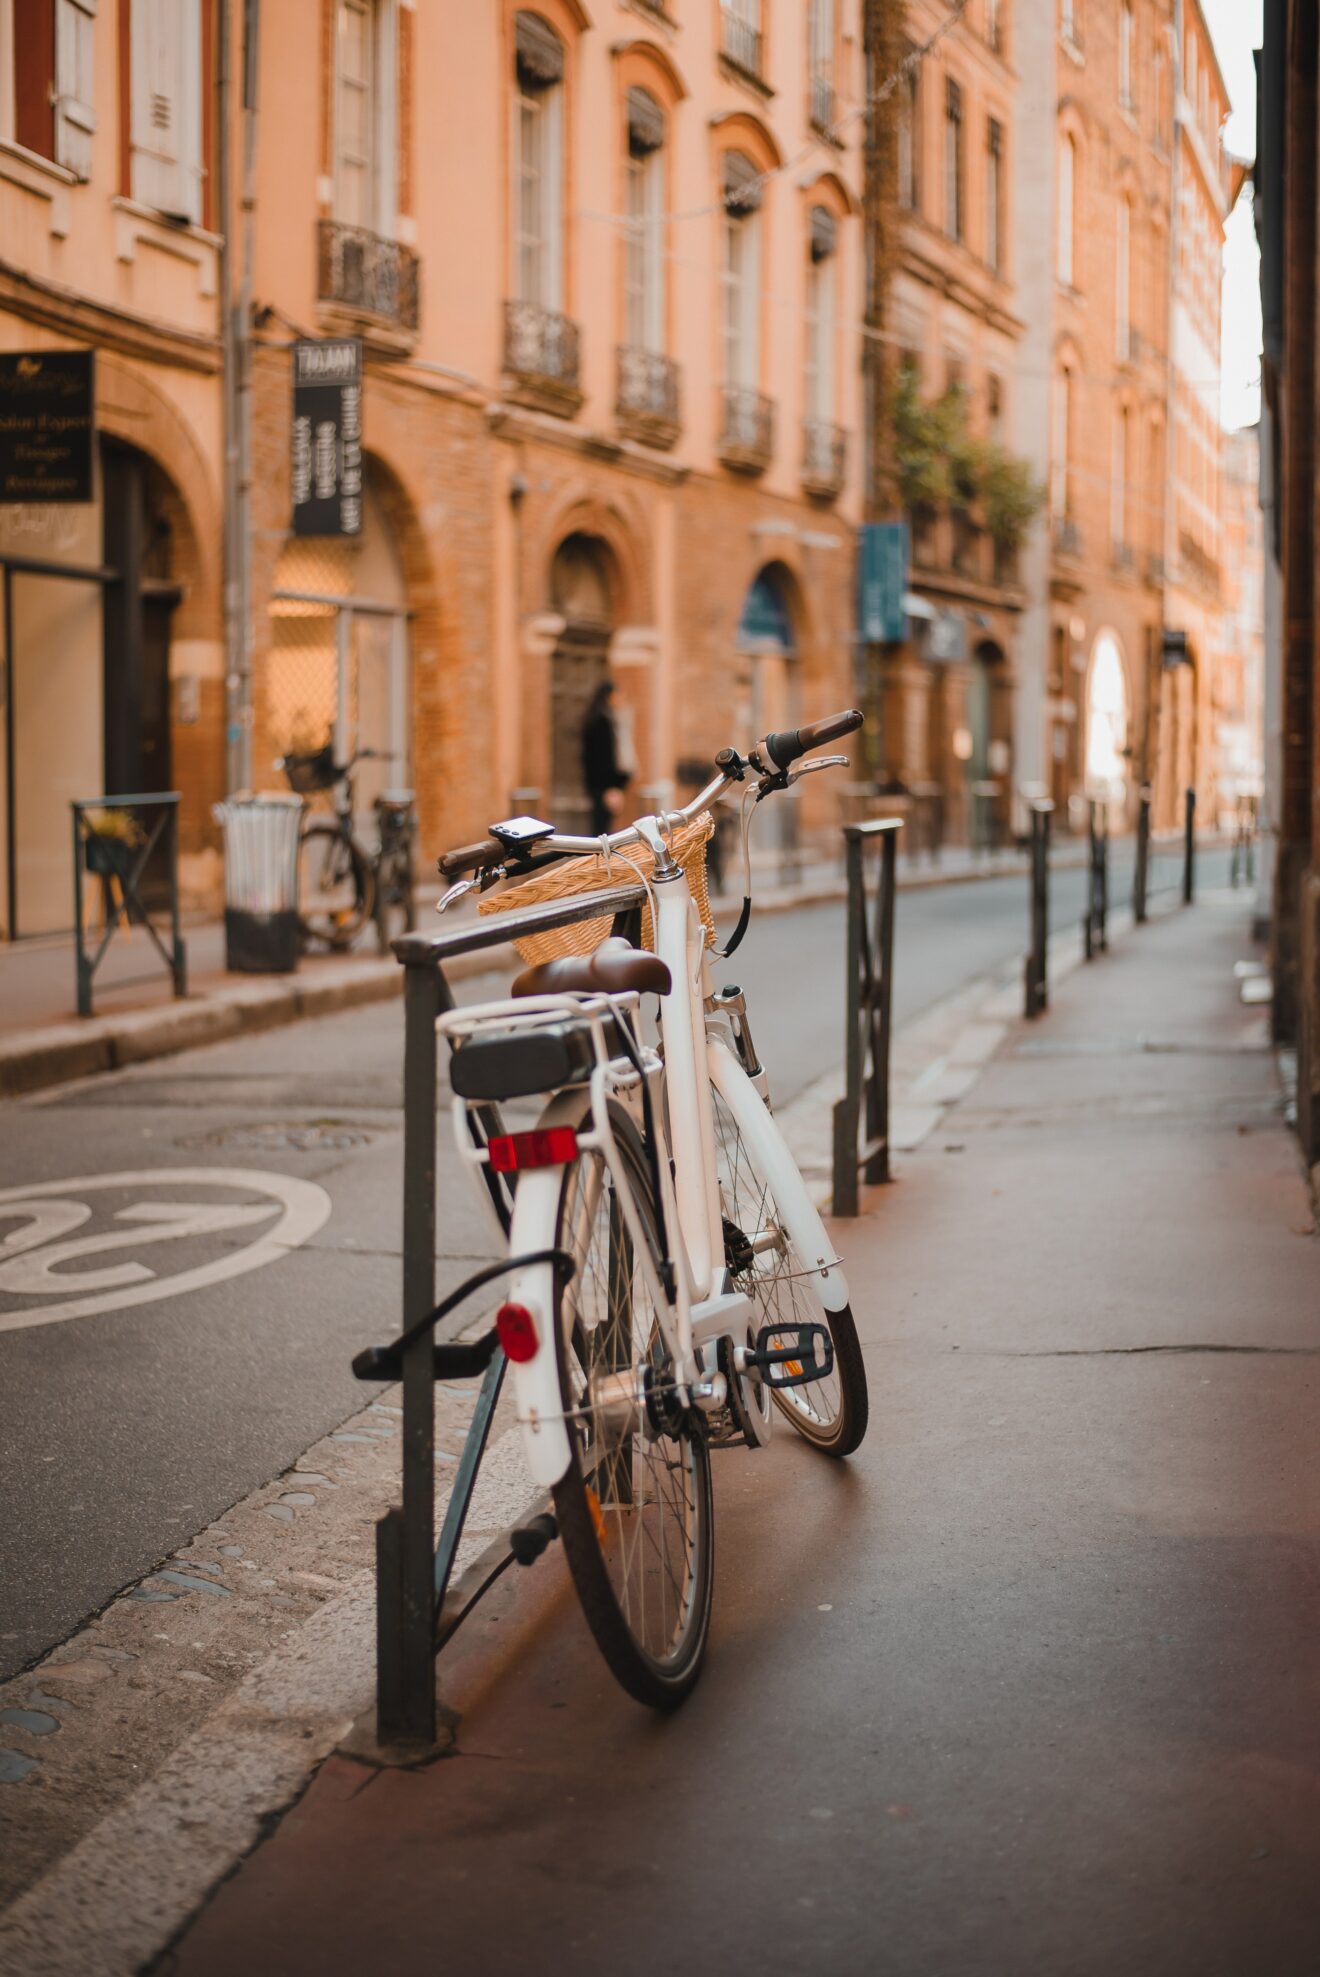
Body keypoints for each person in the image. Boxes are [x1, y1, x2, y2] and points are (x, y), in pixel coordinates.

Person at [581, 679, 630, 834]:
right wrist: (611, 787)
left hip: (598, 785)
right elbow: (603, 757)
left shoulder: (597, 718)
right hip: (604, 786)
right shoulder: (602, 721)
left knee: (600, 828)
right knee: (601, 831)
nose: (621, 700)